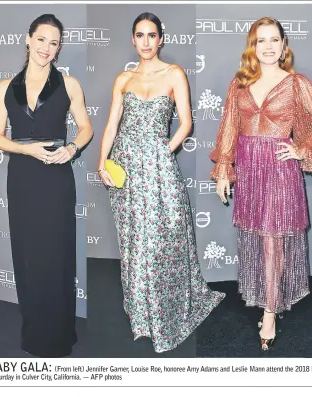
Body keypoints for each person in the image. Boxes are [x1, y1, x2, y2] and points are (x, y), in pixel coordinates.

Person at [97, 12, 224, 354]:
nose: (147, 41)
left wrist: (162, 152)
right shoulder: (123, 78)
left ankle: (164, 310)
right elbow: (111, 125)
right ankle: (140, 312)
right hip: (124, 166)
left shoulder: (174, 74)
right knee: (134, 240)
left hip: (158, 165)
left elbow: (186, 123)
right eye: (140, 35)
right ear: (133, 40)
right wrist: (101, 162)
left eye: (152, 35)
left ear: (161, 39)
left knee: (162, 238)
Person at [210, 17, 312, 351]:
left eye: (273, 40)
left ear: (283, 45)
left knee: (273, 240)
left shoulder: (296, 84)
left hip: (280, 172)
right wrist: (224, 170)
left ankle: (269, 311)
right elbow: (228, 129)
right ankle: (269, 300)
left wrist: (301, 149)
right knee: (260, 239)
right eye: (260, 40)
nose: (267, 47)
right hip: (250, 169)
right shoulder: (239, 84)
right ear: (253, 46)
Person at [0, 14, 93, 357]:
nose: (47, 48)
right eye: (42, 39)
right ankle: (34, 331)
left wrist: (71, 149)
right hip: (22, 178)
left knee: (57, 254)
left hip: (55, 178)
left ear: (59, 47)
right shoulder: (5, 87)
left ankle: (60, 334)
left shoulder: (69, 84)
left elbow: (85, 129)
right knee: (28, 255)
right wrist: (25, 148)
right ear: (28, 39)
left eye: (54, 42)